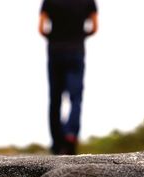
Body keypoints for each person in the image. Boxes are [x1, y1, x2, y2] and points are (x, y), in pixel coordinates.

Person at [39, 0, 98, 155]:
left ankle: (57, 142)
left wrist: (53, 36)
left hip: (55, 50)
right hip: (76, 50)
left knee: (55, 98)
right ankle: (71, 134)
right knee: (76, 96)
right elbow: (94, 27)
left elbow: (41, 27)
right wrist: (80, 35)